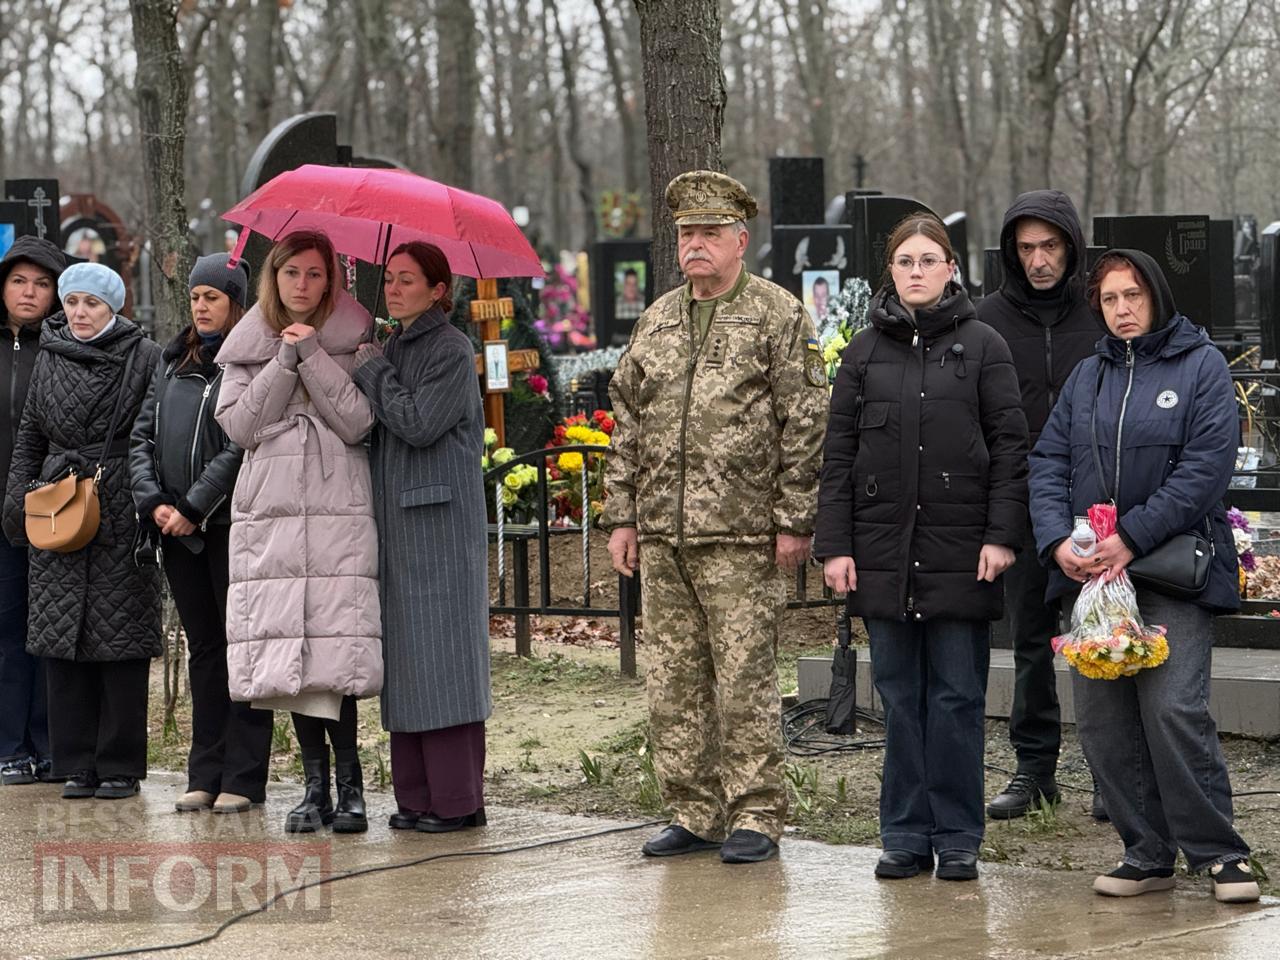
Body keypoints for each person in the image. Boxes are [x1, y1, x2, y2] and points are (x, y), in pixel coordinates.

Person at [602, 170, 829, 864]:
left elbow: (806, 419)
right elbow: (628, 421)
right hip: (665, 535)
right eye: (685, 235)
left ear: (739, 238)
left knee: (743, 680)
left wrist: (794, 517)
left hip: (740, 533)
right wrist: (623, 516)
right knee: (673, 680)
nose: (694, 246)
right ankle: (693, 809)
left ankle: (756, 813)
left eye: (708, 233)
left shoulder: (775, 315)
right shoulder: (659, 318)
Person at [1029, 249, 1260, 903]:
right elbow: (1047, 460)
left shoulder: (1202, 367)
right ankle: (1146, 852)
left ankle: (1220, 854)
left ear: (1155, 296)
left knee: (1174, 710)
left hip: (1171, 571)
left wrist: (1130, 537)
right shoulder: (1087, 377)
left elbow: (1207, 467)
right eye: (1109, 300)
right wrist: (1055, 542)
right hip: (1095, 580)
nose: (1123, 309)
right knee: (1104, 722)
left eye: (1133, 295)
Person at [813, 214, 1029, 882]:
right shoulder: (863, 353)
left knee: (958, 698)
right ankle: (905, 833)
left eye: (927, 260)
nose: (915, 272)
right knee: (902, 698)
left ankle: (959, 835)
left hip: (962, 554)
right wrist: (835, 547)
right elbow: (839, 456)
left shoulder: (985, 345)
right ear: (891, 271)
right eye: (903, 260)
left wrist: (1001, 535)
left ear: (951, 269)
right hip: (882, 555)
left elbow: (1010, 451)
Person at [214, 230, 382, 834]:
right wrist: (284, 359)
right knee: (293, 653)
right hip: (275, 512)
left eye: (315, 274)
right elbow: (240, 425)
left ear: (330, 280)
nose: (303, 286)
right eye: (292, 274)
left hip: (338, 508)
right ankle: (313, 787)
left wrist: (313, 354)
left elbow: (358, 421)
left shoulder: (356, 339)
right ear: (274, 278)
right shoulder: (247, 345)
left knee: (338, 648)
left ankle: (351, 785)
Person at [2, 262, 162, 800]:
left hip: (118, 505)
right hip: (57, 505)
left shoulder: (144, 355)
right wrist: (17, 502)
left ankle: (119, 763)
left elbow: (151, 433)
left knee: (119, 640)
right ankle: (74, 761)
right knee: (59, 639)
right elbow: (30, 435)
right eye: (71, 302)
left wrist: (145, 501)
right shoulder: (49, 355)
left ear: (113, 306)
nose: (79, 313)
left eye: (91, 304)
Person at [976, 190, 1106, 820]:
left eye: (1050, 246)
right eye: (1026, 248)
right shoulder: (988, 319)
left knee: (1106, 631)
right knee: (1030, 639)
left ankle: (1114, 773)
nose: (1039, 260)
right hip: (1023, 501)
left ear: (1071, 246)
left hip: (1099, 504)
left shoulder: (1099, 311)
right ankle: (1034, 770)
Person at [352, 242, 491, 833]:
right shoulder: (396, 345)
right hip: (399, 527)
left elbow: (417, 422)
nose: (394, 287)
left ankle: (458, 802)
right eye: (389, 277)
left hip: (438, 526)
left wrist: (374, 371)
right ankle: (415, 797)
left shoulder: (451, 349)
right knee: (408, 660)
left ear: (438, 290)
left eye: (407, 280)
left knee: (446, 661)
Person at [130, 253, 273, 815]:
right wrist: (155, 503)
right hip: (177, 531)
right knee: (204, 651)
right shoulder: (172, 363)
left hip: (229, 526)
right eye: (195, 297)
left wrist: (194, 504)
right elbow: (143, 435)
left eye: (212, 297)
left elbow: (242, 443)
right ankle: (204, 772)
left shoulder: (251, 363)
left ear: (236, 302)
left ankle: (243, 776)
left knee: (242, 649)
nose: (201, 306)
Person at [0, 236, 65, 786]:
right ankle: (9, 747)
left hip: (51, 511)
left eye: (42, 283)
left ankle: (49, 745)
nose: (29, 292)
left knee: (47, 632)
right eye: (19, 281)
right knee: (6, 633)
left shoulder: (66, 348)